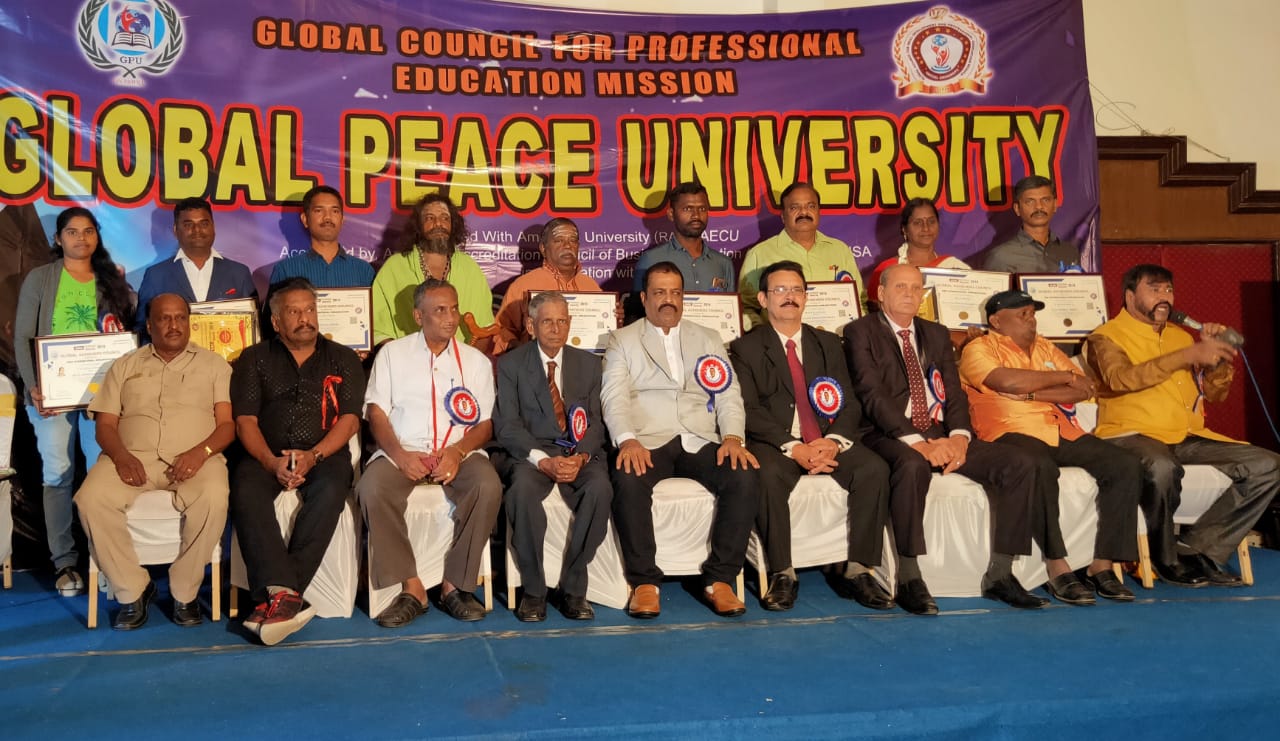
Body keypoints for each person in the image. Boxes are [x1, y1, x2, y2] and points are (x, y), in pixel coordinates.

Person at [844, 264, 1048, 609]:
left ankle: (1001, 574)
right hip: (886, 433)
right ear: (881, 294)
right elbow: (871, 394)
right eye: (900, 287)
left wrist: (959, 438)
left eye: (916, 288)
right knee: (912, 466)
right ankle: (909, 576)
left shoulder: (936, 334)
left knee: (1020, 463)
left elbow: (953, 392)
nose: (909, 294)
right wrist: (918, 443)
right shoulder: (860, 331)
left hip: (939, 431)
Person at [1085, 264, 1280, 586]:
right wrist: (1187, 355)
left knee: (1268, 465)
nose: (1164, 297)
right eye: (1154, 290)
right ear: (1130, 296)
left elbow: (1216, 394)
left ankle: (1198, 549)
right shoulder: (1104, 337)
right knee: (1162, 467)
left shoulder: (1181, 336)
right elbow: (1120, 379)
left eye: (1169, 290)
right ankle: (1164, 557)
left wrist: (1216, 359)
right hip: (1129, 433)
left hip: (1186, 435)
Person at [728, 261, 893, 613]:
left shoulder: (828, 343)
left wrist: (833, 441)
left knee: (874, 469)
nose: (790, 297)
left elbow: (849, 401)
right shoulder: (746, 348)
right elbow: (749, 410)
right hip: (779, 443)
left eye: (797, 290)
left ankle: (859, 569)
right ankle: (782, 573)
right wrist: (795, 447)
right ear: (763, 299)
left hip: (826, 439)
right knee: (767, 474)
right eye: (780, 290)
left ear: (806, 297)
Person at [959, 289, 1141, 603]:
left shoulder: (1045, 346)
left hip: (1058, 429)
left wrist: (1033, 393)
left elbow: (1083, 389)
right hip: (1008, 430)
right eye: (1023, 315)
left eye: (1033, 314)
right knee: (1039, 467)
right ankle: (1057, 565)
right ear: (996, 321)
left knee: (1125, 464)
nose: (1031, 321)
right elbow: (1006, 382)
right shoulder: (979, 348)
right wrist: (1061, 377)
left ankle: (1102, 564)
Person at [602, 261, 759, 619]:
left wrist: (732, 437)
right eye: (659, 293)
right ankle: (644, 583)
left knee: (743, 474)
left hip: (699, 436)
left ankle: (720, 579)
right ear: (644, 298)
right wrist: (627, 440)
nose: (668, 300)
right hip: (648, 438)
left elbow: (729, 395)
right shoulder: (622, 340)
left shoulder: (708, 338)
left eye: (675, 293)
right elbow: (614, 398)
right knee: (627, 477)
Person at [75, 294, 234, 629]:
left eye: (180, 318)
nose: (174, 325)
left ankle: (185, 592)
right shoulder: (125, 365)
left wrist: (201, 453)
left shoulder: (215, 365)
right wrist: (121, 457)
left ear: (189, 322)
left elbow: (227, 426)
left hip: (196, 460)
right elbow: (105, 425)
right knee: (90, 499)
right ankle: (133, 589)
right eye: (164, 318)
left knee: (215, 496)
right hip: (133, 458)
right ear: (149, 325)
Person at [358, 279, 502, 627]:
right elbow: (376, 412)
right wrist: (399, 455)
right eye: (440, 310)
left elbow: (485, 424)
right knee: (372, 488)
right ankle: (412, 588)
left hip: (459, 452)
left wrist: (457, 451)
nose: (451, 318)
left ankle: (456, 585)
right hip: (404, 449)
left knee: (488, 486)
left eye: (454, 309)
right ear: (418, 316)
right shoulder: (392, 354)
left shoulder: (475, 361)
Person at [229, 278, 365, 646]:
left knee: (332, 488)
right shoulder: (254, 358)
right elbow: (246, 421)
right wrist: (270, 462)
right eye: (294, 312)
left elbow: (350, 420)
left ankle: (279, 596)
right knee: (245, 488)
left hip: (324, 453)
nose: (305, 318)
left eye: (310, 310)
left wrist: (314, 455)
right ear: (276, 321)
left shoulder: (343, 358)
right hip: (266, 453)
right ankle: (288, 597)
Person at [14, 206, 135, 598]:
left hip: (99, 398)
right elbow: (23, 337)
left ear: (97, 236)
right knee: (58, 476)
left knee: (101, 476)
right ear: (58, 238)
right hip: (50, 397)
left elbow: (123, 340)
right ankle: (64, 563)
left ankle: (105, 560)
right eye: (72, 232)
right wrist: (35, 387)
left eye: (88, 231)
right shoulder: (41, 278)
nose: (81, 238)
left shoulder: (111, 281)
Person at [493, 292, 612, 621]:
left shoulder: (589, 364)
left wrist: (581, 458)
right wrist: (541, 460)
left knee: (600, 489)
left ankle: (573, 589)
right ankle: (534, 591)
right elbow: (507, 425)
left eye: (562, 321)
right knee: (521, 492)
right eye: (547, 321)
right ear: (531, 326)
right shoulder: (512, 365)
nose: (556, 329)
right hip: (532, 453)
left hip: (577, 453)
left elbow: (596, 423)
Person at [371, 193, 494, 347]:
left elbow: (485, 330)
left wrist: (465, 360)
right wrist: (401, 357)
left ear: (453, 225)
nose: (438, 224)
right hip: (407, 359)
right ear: (418, 226)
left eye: (445, 218)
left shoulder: (469, 268)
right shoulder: (394, 267)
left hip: (460, 359)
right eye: (430, 218)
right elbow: (378, 330)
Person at [739, 182, 866, 329]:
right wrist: (763, 333)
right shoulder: (759, 254)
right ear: (783, 216)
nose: (804, 212)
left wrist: (857, 332)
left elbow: (860, 301)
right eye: (795, 207)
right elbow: (746, 307)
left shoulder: (840, 250)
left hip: (837, 339)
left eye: (811, 206)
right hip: (780, 341)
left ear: (819, 212)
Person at [135, 197, 258, 331]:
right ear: (176, 230)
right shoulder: (156, 276)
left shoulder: (239, 273)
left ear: (213, 227)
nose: (197, 230)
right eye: (188, 225)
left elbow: (255, 326)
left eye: (204, 224)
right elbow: (143, 328)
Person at [492, 218, 605, 356]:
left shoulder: (590, 286)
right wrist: (523, 349)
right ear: (543, 248)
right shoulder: (523, 286)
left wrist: (613, 318)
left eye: (573, 240)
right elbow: (500, 331)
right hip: (534, 365)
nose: (567, 246)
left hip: (584, 365)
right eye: (559, 240)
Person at [633, 181, 735, 294]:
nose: (696, 215)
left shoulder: (723, 263)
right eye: (687, 209)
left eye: (702, 209)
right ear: (671, 214)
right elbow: (639, 304)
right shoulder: (651, 260)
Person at [269, 185, 375, 289]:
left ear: (342, 220)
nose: (327, 217)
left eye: (335, 211)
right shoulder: (285, 271)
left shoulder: (364, 271)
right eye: (319, 210)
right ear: (305, 219)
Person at [867, 198, 970, 301]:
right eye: (917, 223)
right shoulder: (886, 269)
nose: (926, 228)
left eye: (931, 221)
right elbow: (873, 309)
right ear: (904, 229)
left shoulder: (954, 268)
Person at [984, 175, 1081, 274]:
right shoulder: (1001, 257)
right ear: (1017, 209)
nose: (1039, 206)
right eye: (1030, 201)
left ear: (1055, 205)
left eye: (1045, 200)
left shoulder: (1069, 252)